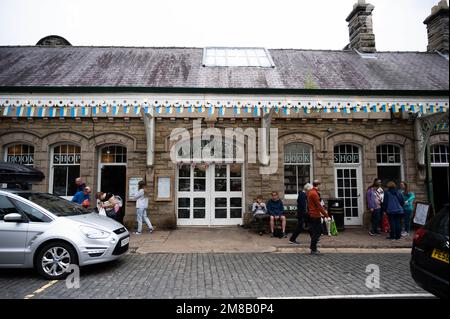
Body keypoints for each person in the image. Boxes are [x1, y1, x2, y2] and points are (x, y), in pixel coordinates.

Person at [307, 180, 330, 255]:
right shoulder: (314, 193)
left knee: (318, 231)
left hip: (313, 214)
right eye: (320, 185)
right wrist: (326, 215)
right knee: (317, 232)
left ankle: (313, 247)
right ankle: (313, 249)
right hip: (315, 215)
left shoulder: (311, 192)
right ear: (318, 185)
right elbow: (319, 206)